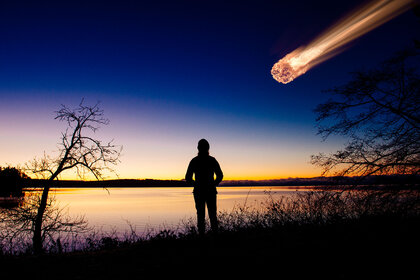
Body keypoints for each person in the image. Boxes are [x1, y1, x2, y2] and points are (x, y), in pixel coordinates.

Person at [185, 139, 223, 235]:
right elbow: (220, 175)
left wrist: (197, 184)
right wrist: (213, 184)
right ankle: (211, 236)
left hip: (202, 191)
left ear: (198, 148)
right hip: (205, 191)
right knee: (210, 215)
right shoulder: (210, 160)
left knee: (203, 215)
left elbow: (188, 178)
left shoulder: (196, 161)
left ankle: (203, 236)